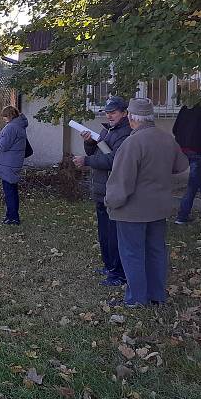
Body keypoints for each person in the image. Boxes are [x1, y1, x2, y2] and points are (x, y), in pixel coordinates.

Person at [105, 98, 189, 307]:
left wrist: (111, 202)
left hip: (132, 211)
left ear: (132, 118)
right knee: (156, 252)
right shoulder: (166, 139)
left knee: (132, 254)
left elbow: (121, 181)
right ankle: (157, 296)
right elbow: (181, 165)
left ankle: (136, 299)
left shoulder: (132, 143)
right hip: (158, 208)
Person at [73, 97, 130, 287]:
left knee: (114, 235)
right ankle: (108, 266)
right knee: (104, 233)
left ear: (124, 113)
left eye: (113, 112)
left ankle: (118, 273)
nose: (109, 115)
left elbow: (114, 160)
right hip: (100, 188)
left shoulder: (125, 133)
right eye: (107, 112)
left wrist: (86, 162)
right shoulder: (108, 130)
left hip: (112, 190)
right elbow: (97, 153)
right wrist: (89, 142)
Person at [0, 106, 28, 225]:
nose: (4, 118)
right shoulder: (18, 124)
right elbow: (6, 137)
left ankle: (13, 217)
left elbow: (3, 145)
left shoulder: (12, 126)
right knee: (12, 190)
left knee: (9, 192)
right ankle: (11, 215)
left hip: (8, 164)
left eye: (5, 116)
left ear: (10, 115)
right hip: (12, 162)